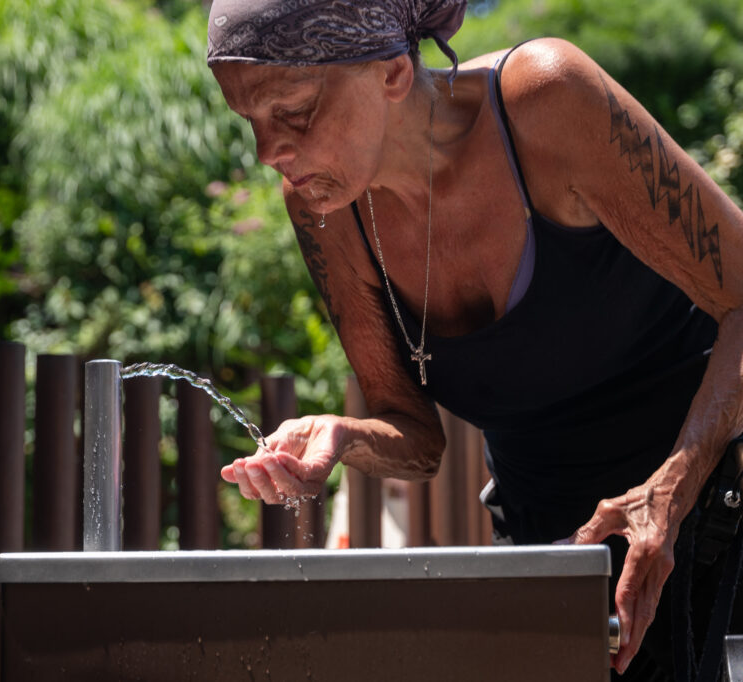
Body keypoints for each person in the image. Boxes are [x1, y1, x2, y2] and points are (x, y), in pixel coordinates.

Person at [206, 1, 743, 679]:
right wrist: (343, 434)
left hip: (719, 505)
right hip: (561, 553)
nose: (267, 152)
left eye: (295, 110)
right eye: (249, 121)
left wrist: (669, 494)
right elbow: (417, 438)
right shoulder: (325, 208)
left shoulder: (548, 101)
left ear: (394, 73)